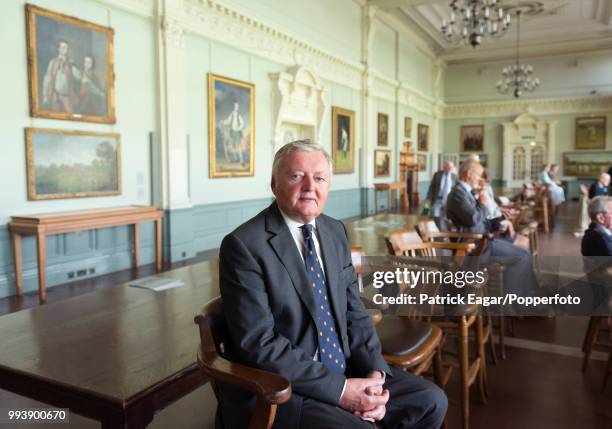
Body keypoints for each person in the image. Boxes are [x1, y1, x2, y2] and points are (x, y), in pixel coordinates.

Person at [218, 140, 447, 428]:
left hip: (345, 366)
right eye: (296, 176)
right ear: (274, 184)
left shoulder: (334, 231)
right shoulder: (244, 245)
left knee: (431, 401)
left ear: (328, 187)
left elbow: (355, 311)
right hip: (284, 387)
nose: (309, 186)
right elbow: (259, 345)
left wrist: (374, 373)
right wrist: (340, 391)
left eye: (319, 178)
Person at [446, 159, 539, 297]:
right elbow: (473, 220)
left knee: (525, 254)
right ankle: (514, 304)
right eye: (478, 175)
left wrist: (501, 219)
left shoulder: (466, 192)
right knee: (521, 257)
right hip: (474, 247)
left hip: (482, 241)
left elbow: (481, 221)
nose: (480, 179)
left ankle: (529, 294)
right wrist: (482, 203)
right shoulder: (458, 193)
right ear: (469, 174)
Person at [41, 40, 78, 113]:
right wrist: (45, 94)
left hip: (67, 96)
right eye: (63, 47)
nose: (65, 49)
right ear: (58, 49)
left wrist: (73, 66)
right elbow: (47, 79)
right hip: (56, 95)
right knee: (56, 116)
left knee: (71, 116)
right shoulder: (53, 62)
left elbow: (78, 77)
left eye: (66, 48)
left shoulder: (70, 63)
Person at [221, 100, 246, 165]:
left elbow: (242, 123)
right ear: (233, 106)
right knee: (232, 145)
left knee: (238, 146)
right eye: (235, 106)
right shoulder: (232, 114)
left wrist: (238, 128)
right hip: (232, 132)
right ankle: (235, 158)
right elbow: (228, 121)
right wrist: (223, 122)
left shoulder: (238, 115)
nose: (236, 107)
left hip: (237, 132)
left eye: (237, 106)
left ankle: (241, 160)